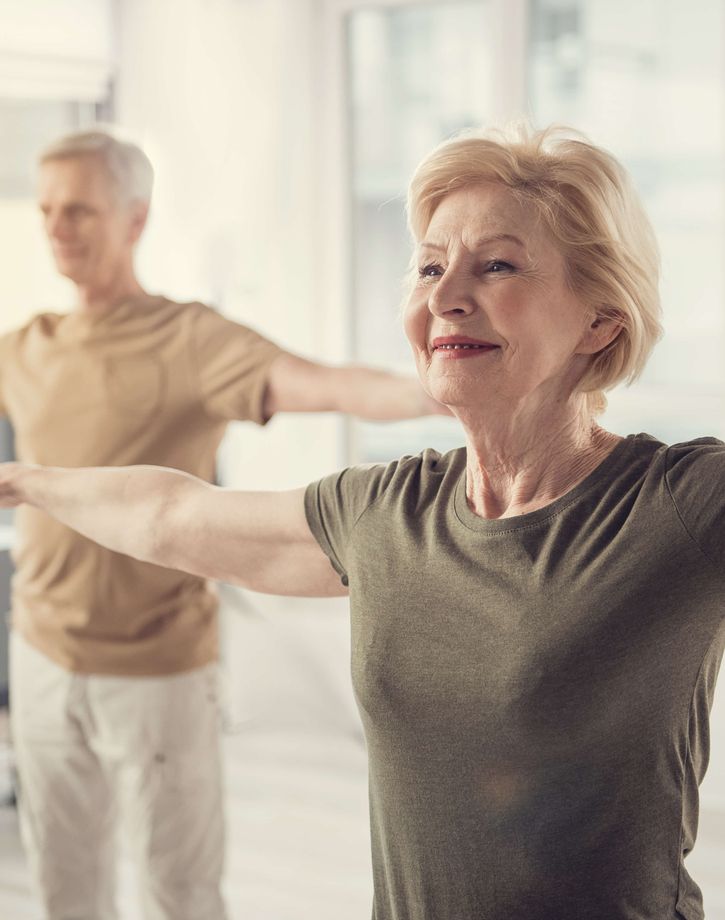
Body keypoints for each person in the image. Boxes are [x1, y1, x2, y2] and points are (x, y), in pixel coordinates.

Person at [1, 122, 719, 920]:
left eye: (498, 265)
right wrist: (22, 480)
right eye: (429, 266)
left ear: (599, 319)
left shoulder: (676, 506)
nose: (446, 295)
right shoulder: (386, 514)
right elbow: (173, 515)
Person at [2, 127, 446, 920]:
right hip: (40, 653)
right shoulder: (26, 346)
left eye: (79, 210)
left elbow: (327, 384)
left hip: (157, 668)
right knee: (64, 887)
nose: (57, 229)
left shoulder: (191, 339)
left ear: (134, 218)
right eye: (47, 211)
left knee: (180, 890)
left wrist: (444, 387)